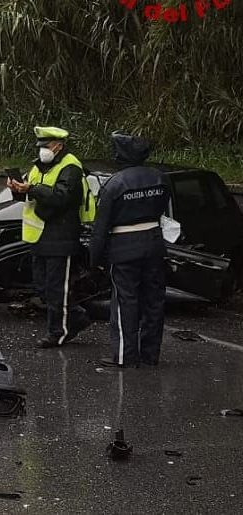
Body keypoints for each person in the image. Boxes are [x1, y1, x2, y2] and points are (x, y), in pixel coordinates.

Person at [7, 126, 96, 348]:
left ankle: (58, 332)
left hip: (61, 235)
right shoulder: (39, 167)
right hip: (39, 236)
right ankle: (76, 317)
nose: (42, 150)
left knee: (57, 288)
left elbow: (61, 198)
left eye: (46, 146)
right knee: (42, 286)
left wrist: (31, 188)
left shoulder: (71, 168)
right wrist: (17, 189)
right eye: (40, 146)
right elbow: (28, 194)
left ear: (58, 146)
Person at [88, 132, 169, 368]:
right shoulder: (160, 178)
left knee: (126, 302)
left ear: (120, 155)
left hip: (124, 248)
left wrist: (94, 259)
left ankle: (125, 356)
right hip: (154, 244)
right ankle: (150, 355)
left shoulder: (115, 184)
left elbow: (101, 227)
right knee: (154, 302)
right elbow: (163, 209)